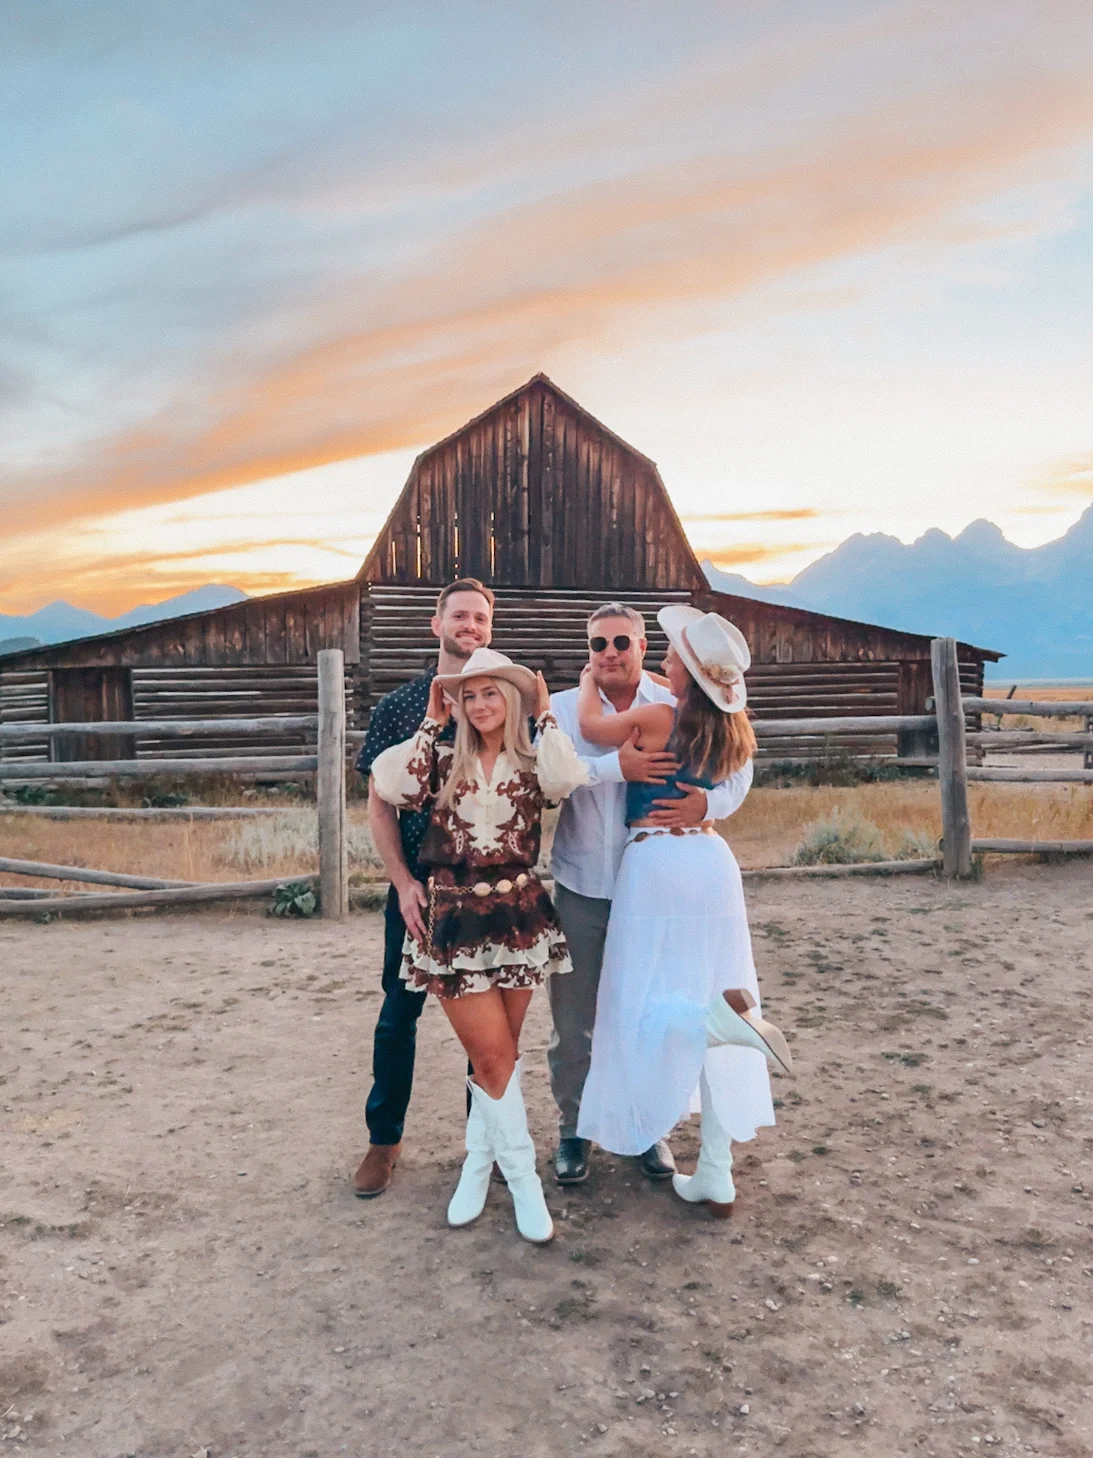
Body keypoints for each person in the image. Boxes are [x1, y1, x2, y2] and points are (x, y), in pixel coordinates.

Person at [574, 605, 792, 1217]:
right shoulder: (732, 729)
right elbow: (738, 784)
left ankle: (706, 1027)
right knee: (719, 987)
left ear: (688, 674)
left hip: (657, 865)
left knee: (639, 997)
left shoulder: (656, 716)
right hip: (713, 866)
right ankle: (716, 1170)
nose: (663, 662)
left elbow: (592, 730)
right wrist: (710, 806)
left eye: (670, 657)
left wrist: (588, 682)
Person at [370, 648, 588, 1243]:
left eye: (491, 693)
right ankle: (523, 1182)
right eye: (469, 695)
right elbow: (389, 786)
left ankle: (476, 1163)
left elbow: (567, 778)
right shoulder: (439, 758)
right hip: (455, 921)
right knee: (490, 1057)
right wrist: (431, 722)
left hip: (519, 915)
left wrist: (545, 716)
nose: (481, 704)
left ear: (511, 698)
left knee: (503, 1056)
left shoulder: (532, 758)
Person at [546, 603, 754, 1186]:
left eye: (620, 642)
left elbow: (739, 772)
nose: (607, 653)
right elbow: (552, 777)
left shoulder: (670, 703)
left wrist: (706, 805)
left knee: (651, 1009)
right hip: (585, 883)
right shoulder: (562, 709)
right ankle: (573, 1130)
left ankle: (647, 1128)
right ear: (586, 650)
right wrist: (616, 767)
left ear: (641, 646)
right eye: (596, 645)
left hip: (656, 887)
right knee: (575, 1016)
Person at [352, 578, 495, 1200]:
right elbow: (379, 807)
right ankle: (384, 1141)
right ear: (437, 625)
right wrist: (403, 883)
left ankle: (483, 1147)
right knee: (397, 1016)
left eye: (481, 619)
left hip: (487, 892)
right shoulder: (398, 708)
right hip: (417, 890)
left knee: (484, 1029)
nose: (471, 625)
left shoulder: (498, 705)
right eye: (460, 615)